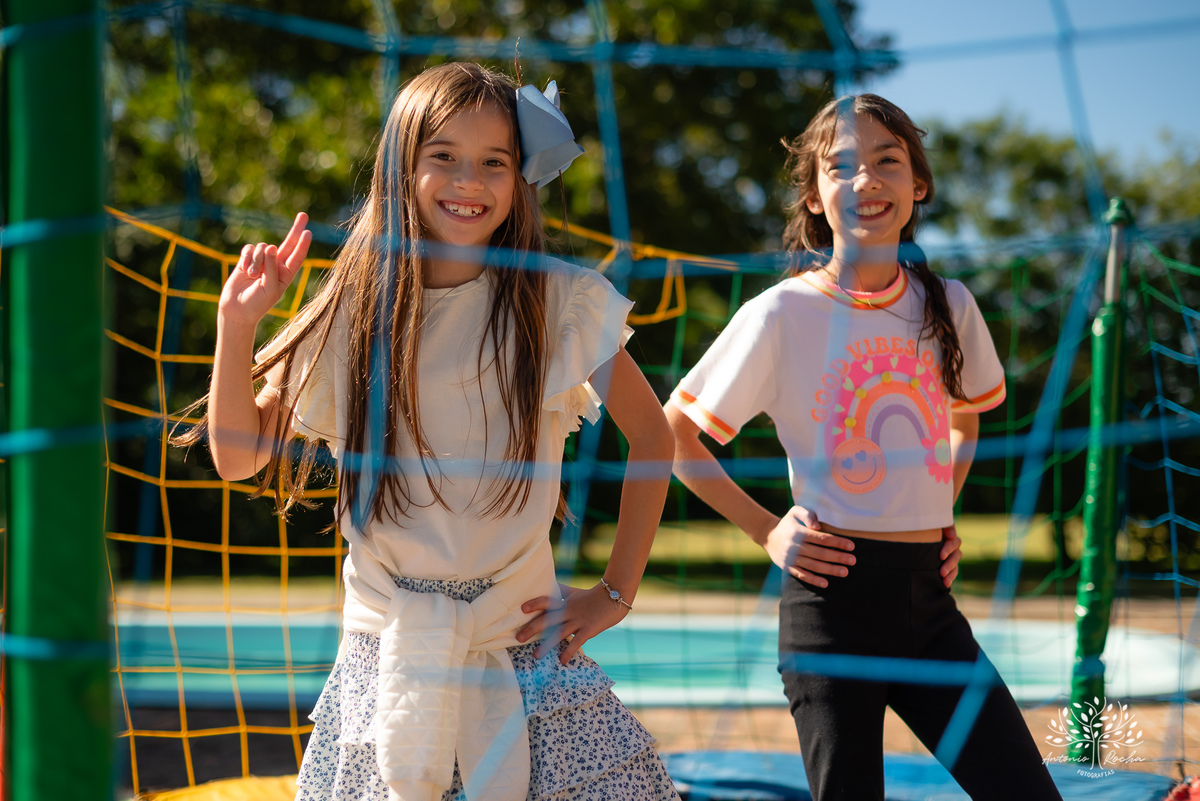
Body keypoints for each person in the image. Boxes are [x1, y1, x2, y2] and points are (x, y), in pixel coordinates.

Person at [176, 62, 679, 801]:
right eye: (443, 156)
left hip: (522, 652)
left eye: (493, 163)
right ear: (401, 166)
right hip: (388, 659)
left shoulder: (558, 301)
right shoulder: (353, 306)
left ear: (520, 181)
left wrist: (615, 593)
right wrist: (237, 324)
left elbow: (654, 437)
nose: (467, 181)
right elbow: (238, 457)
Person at [663, 94, 1061, 800]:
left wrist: (941, 510)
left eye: (887, 160)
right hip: (829, 603)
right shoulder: (782, 313)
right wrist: (767, 528)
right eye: (841, 166)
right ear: (815, 194)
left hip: (928, 602)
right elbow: (672, 434)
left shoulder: (951, 305)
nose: (866, 180)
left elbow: (966, 420)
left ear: (919, 185)